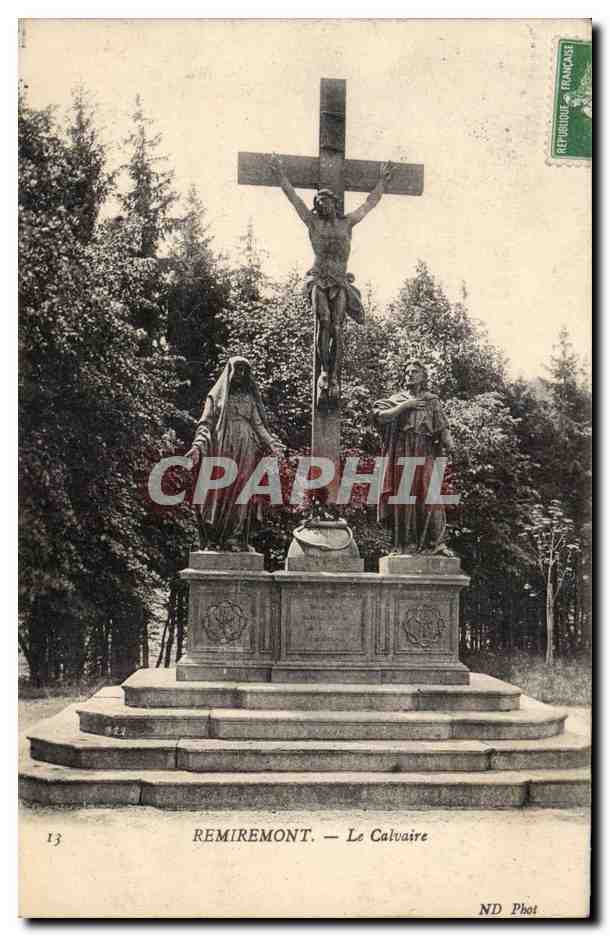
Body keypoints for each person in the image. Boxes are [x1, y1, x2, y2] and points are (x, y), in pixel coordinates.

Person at [270, 153, 393, 408]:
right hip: (318, 279)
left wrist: (382, 182)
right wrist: (281, 176)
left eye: (326, 202)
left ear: (334, 204)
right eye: (319, 203)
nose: (322, 206)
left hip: (339, 281)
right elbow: (294, 199)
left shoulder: (347, 223)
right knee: (323, 322)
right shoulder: (313, 222)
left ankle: (334, 374)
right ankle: (324, 372)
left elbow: (369, 204)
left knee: (337, 326)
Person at [186, 357, 283, 551]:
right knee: (218, 489)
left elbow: (258, 425)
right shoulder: (216, 397)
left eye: (244, 371)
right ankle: (214, 537)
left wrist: (272, 444)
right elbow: (205, 424)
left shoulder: (250, 399)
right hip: (221, 448)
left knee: (242, 491)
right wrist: (197, 446)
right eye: (237, 369)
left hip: (246, 449)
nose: (240, 374)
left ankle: (234, 537)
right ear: (229, 371)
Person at [373, 361, 456, 556]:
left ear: (423, 376)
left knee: (430, 494)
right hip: (402, 451)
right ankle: (405, 544)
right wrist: (405, 406)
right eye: (407, 371)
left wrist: (452, 447)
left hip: (424, 450)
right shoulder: (396, 399)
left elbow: (443, 429)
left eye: (415, 372)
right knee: (404, 498)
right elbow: (380, 417)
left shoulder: (432, 401)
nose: (410, 374)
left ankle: (437, 543)